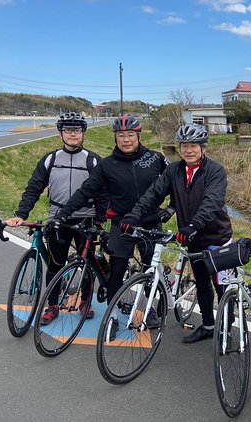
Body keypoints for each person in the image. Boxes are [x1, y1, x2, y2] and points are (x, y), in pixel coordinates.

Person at [54, 114, 171, 338]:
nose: (126, 140)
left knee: (151, 269)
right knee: (115, 273)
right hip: (121, 224)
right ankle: (113, 316)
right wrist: (63, 213)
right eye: (121, 135)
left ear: (138, 135)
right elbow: (86, 191)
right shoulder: (107, 165)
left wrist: (171, 209)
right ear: (115, 137)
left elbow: (176, 184)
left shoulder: (156, 159)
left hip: (151, 223)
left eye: (130, 135)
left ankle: (150, 309)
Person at [119, 123, 234, 344]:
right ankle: (209, 325)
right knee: (201, 283)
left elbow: (212, 201)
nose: (188, 150)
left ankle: (227, 330)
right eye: (184, 146)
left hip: (217, 236)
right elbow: (153, 194)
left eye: (193, 145)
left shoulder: (215, 170)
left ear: (203, 147)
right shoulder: (173, 170)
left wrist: (194, 224)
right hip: (192, 238)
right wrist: (134, 216)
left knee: (221, 285)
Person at [5, 112, 105, 325]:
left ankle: (85, 301)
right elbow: (34, 188)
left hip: (85, 219)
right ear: (60, 133)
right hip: (57, 219)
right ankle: (52, 305)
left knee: (86, 263)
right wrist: (21, 214)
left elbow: (103, 193)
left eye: (76, 130)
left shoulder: (93, 160)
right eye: (68, 130)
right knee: (55, 264)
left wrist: (100, 220)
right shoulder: (50, 159)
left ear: (83, 132)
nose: (72, 134)